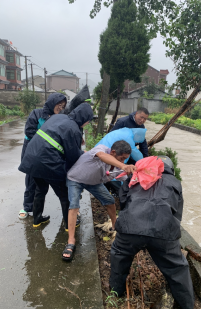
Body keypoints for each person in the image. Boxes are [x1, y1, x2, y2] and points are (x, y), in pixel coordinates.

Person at [109, 156, 195, 309]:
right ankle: (188, 308)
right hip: (163, 232)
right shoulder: (175, 183)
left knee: (119, 257)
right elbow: (177, 213)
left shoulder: (136, 175)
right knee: (177, 268)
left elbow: (123, 201)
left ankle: (115, 293)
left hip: (129, 228)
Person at [18, 103, 93, 232]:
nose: (86, 124)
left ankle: (37, 220)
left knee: (39, 191)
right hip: (48, 163)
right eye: (87, 122)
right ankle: (69, 225)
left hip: (32, 159)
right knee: (64, 195)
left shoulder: (58, 117)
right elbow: (72, 156)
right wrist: (83, 154)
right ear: (83, 118)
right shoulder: (73, 129)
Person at [63, 140, 136, 261]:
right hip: (75, 179)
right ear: (113, 152)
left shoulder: (118, 166)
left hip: (94, 183)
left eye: (125, 159)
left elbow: (127, 179)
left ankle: (114, 226)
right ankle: (71, 241)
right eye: (122, 158)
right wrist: (123, 165)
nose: (123, 161)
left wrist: (136, 173)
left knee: (109, 200)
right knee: (74, 205)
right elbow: (102, 156)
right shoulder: (101, 149)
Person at [19, 93, 67, 220]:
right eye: (59, 104)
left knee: (43, 182)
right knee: (31, 179)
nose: (60, 108)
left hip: (47, 153)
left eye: (63, 106)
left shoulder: (59, 117)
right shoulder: (36, 114)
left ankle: (38, 213)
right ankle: (26, 207)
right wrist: (45, 142)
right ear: (52, 102)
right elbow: (29, 131)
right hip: (31, 149)